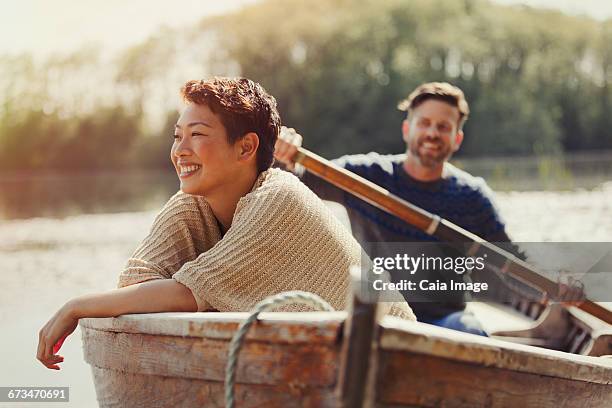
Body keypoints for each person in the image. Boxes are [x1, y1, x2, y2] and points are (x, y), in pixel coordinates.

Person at [37, 77, 414, 370]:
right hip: (313, 364)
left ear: (246, 147)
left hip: (400, 355)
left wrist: (77, 306)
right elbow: (138, 284)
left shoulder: (280, 198)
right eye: (177, 136)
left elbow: (187, 293)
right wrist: (173, 295)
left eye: (197, 135)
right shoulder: (192, 203)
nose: (180, 150)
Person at [274, 82, 515, 336]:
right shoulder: (367, 174)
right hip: (378, 314)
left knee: (472, 332)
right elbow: (295, 181)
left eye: (443, 127)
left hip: (445, 322)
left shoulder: (472, 196)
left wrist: (557, 287)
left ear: (456, 139)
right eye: (424, 123)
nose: (432, 133)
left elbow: (513, 261)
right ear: (406, 129)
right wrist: (285, 156)